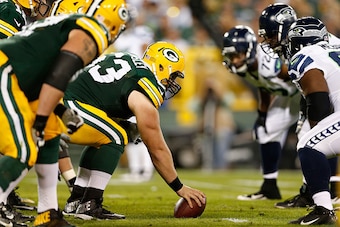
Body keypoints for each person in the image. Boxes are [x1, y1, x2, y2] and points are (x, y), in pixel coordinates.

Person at [0, 0, 129, 226]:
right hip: (7, 71)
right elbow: (58, 76)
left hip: (20, 78)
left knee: (51, 134)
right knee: (24, 149)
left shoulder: (61, 25)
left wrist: (57, 111)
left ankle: (48, 212)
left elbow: (42, 71)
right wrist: (39, 119)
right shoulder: (91, 30)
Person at [59, 41, 206, 220]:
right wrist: (179, 187)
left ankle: (77, 199)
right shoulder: (144, 83)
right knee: (117, 136)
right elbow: (157, 149)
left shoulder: (129, 62)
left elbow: (99, 95)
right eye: (173, 76)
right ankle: (90, 203)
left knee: (106, 136)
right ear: (161, 67)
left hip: (61, 100)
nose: (172, 82)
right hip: (67, 107)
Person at [258, 3, 340, 208]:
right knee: (308, 133)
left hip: (329, 96)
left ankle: (328, 194)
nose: (268, 40)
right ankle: (312, 192)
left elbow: (320, 97)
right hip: (327, 92)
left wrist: (319, 131)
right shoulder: (313, 40)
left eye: (270, 35)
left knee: (311, 140)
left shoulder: (305, 48)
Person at [222, 24, 300, 201]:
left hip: (305, 93)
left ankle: (328, 190)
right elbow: (263, 86)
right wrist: (262, 113)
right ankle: (270, 187)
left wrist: (315, 102)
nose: (234, 61)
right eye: (230, 56)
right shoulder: (247, 67)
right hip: (288, 97)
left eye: (237, 55)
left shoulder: (272, 64)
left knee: (310, 139)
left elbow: (300, 73)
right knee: (266, 131)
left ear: (249, 50)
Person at [285, 16, 338, 225]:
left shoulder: (305, 56)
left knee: (308, 144)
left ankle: (324, 209)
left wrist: (318, 130)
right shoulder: (334, 50)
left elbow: (318, 101)